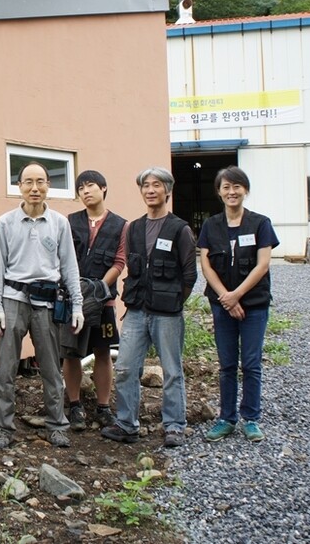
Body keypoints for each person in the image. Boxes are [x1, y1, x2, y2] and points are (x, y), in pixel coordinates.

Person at [0, 162, 84, 450]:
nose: (35, 187)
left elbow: (69, 266)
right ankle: (3, 428)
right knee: (6, 369)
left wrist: (77, 305)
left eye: (41, 181)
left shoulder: (59, 223)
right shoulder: (5, 223)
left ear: (48, 186)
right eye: (28, 182)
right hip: (13, 300)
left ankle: (57, 425)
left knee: (52, 368)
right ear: (19, 186)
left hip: (47, 303)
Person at [101, 167, 197, 448]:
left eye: (157, 185)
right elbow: (132, 265)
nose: (150, 190)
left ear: (168, 191)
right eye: (146, 185)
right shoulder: (135, 227)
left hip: (167, 314)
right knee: (127, 367)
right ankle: (126, 424)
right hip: (137, 310)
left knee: (172, 370)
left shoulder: (180, 229)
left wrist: (175, 302)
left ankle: (174, 426)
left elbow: (189, 275)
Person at [198, 166, 279, 443]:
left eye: (237, 187)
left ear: (245, 190)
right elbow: (206, 265)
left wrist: (237, 295)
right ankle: (226, 418)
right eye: (226, 187)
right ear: (219, 192)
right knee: (227, 364)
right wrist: (226, 297)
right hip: (222, 305)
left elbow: (263, 264)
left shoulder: (260, 223)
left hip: (254, 304)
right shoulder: (211, 225)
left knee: (252, 363)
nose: (231, 192)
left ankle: (251, 419)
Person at [63, 170, 127, 430]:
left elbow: (120, 261)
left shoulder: (121, 224)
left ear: (104, 188)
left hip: (103, 301)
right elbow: (63, 256)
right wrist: (75, 290)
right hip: (73, 299)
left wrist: (100, 287)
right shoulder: (70, 221)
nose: (85, 191)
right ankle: (75, 405)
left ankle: (103, 407)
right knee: (71, 352)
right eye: (80, 188)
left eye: (90, 186)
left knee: (102, 351)